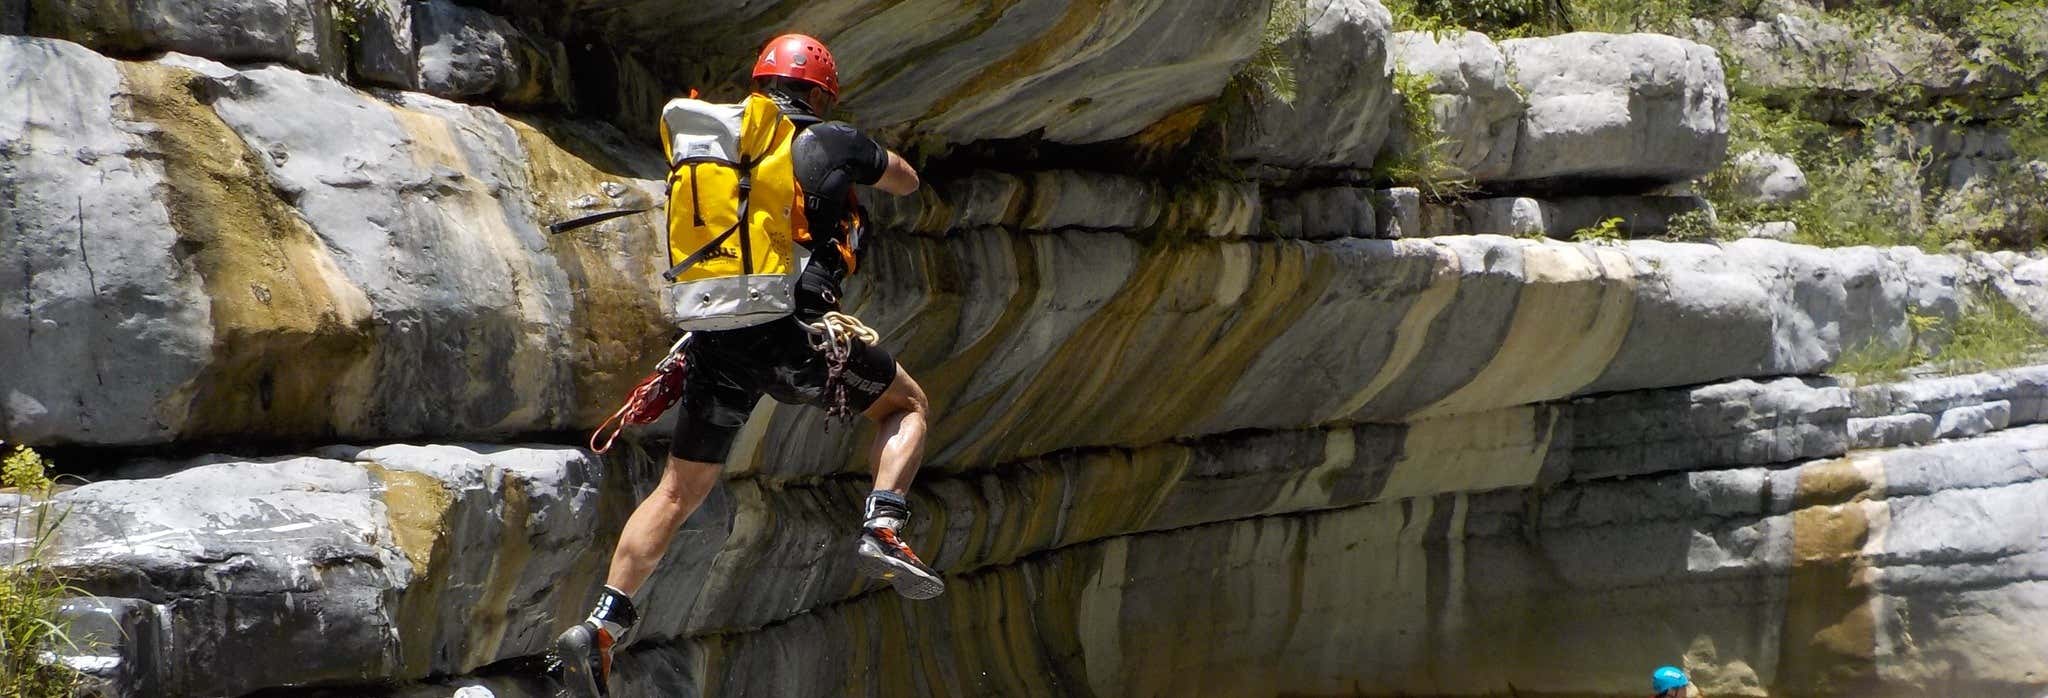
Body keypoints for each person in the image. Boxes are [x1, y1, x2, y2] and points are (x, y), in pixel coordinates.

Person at [555, 33, 936, 697]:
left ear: (761, 86)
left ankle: (603, 626)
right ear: (820, 93)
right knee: (907, 405)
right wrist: (862, 160)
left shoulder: (724, 155)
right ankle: (883, 525)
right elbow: (906, 180)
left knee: (677, 491)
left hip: (717, 340)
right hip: (796, 335)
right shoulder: (829, 140)